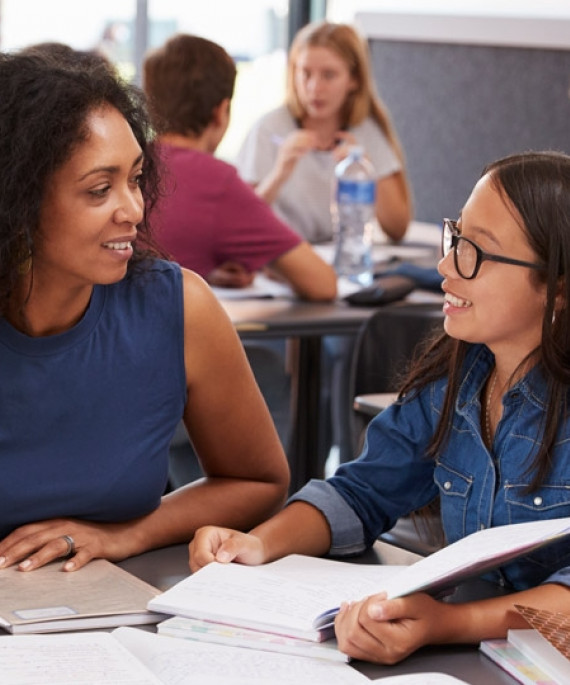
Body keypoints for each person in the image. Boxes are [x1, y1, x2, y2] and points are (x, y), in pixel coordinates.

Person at [190, 150, 570, 664]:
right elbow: (360, 494)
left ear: (559, 287)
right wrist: (257, 545)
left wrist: (444, 623)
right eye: (456, 238)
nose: (444, 266)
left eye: (475, 252)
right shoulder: (456, 382)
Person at [0, 50, 289, 573]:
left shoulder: (178, 308)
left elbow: (259, 481)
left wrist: (123, 535)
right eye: (99, 189)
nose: (133, 209)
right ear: (17, 201)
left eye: (135, 178)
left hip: (117, 617)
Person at [143, 33, 337, 300]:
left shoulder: (130, 163)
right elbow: (324, 285)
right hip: (168, 339)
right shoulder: (215, 182)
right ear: (221, 111)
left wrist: (205, 269)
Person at [236, 20, 412, 244]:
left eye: (329, 75)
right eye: (305, 73)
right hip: (282, 262)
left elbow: (397, 228)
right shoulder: (269, 129)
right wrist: (280, 173)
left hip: (338, 258)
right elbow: (239, 222)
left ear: (354, 79)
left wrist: (367, 172)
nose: (314, 88)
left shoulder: (365, 130)